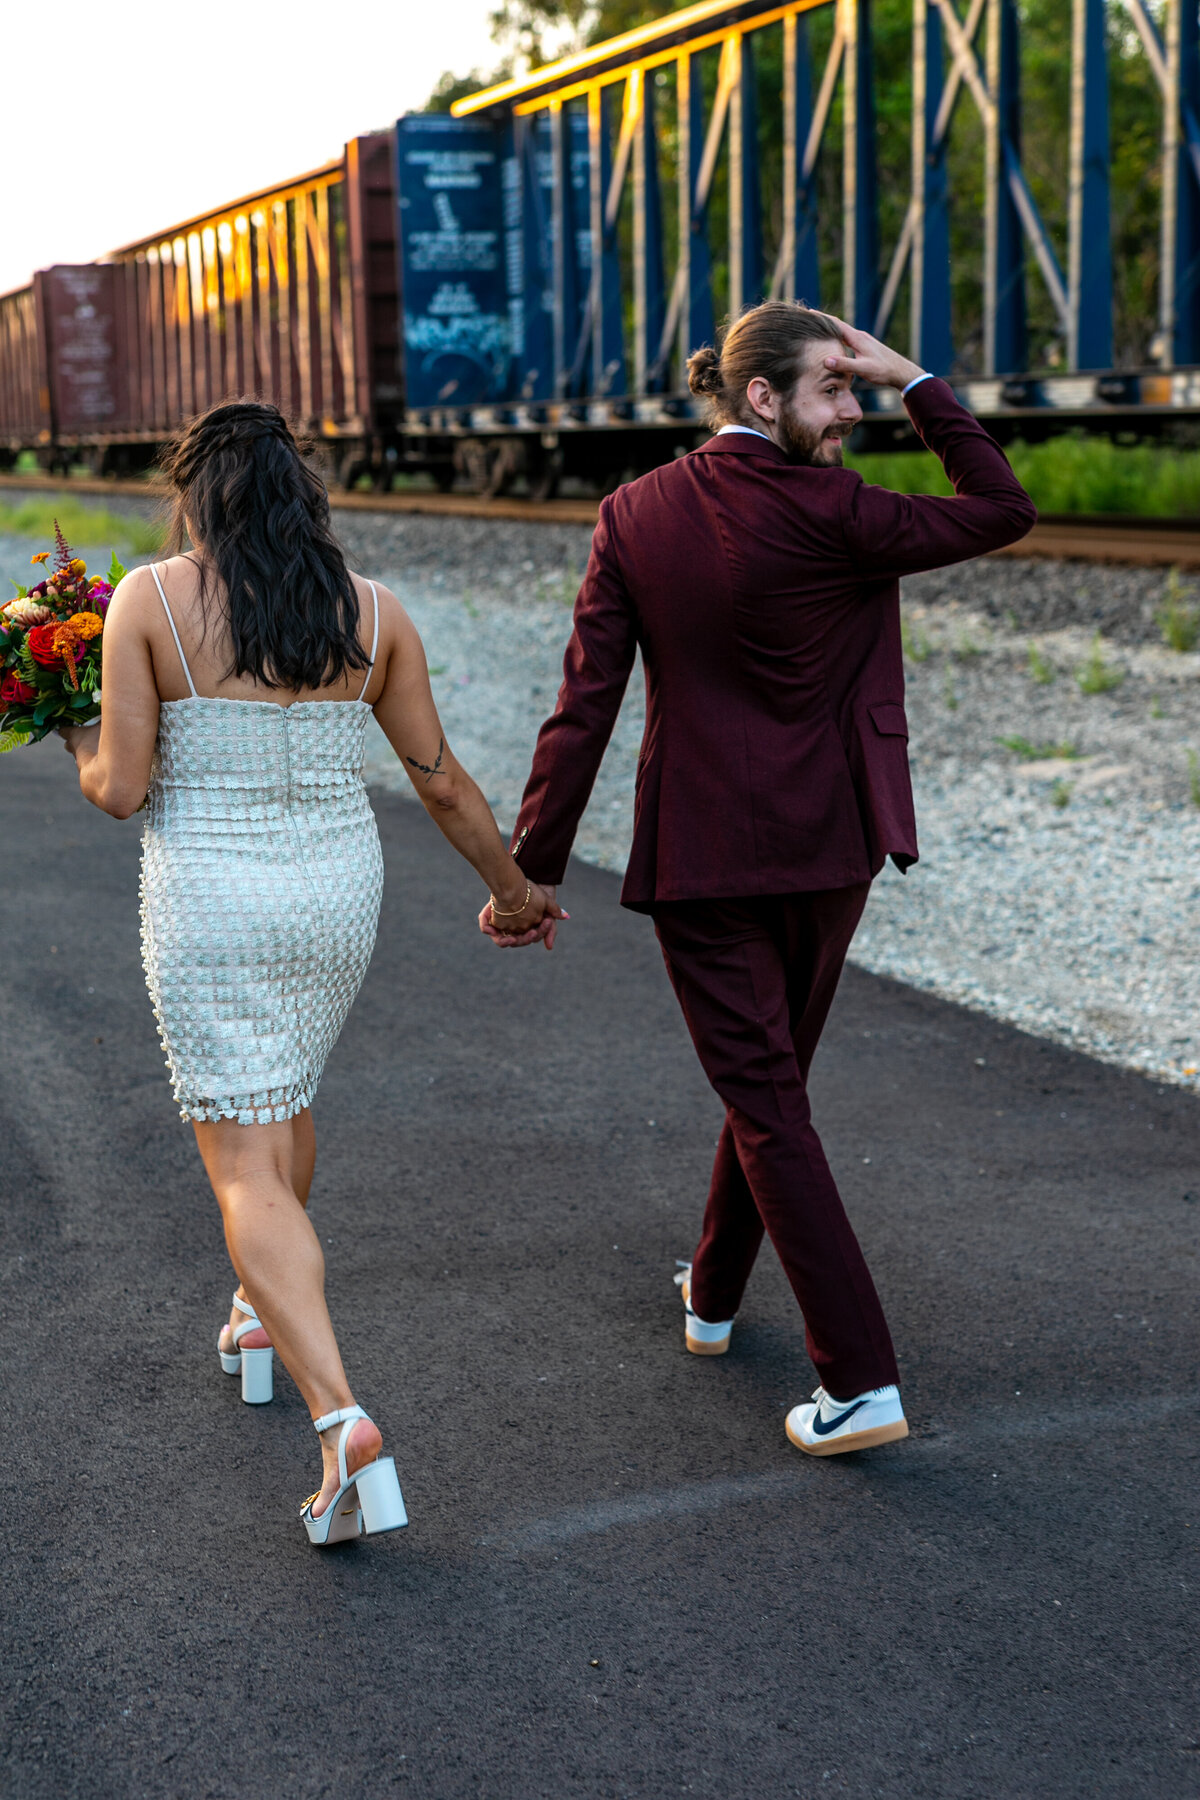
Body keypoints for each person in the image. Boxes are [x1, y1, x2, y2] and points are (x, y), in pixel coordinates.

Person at [482, 304, 1036, 1456]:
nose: (852, 416)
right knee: (770, 1094)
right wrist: (922, 380)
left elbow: (584, 708)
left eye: (861, 391)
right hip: (833, 849)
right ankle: (716, 1298)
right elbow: (999, 504)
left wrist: (529, 869)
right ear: (762, 398)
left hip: (705, 856)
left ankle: (862, 1381)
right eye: (836, 392)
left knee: (768, 1100)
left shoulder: (634, 516)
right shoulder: (847, 515)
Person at [59, 399, 561, 1542]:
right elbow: (441, 781)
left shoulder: (150, 600)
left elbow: (122, 790)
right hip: (336, 898)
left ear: (195, 496)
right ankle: (255, 1315)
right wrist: (514, 890)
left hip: (215, 901)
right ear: (306, 493)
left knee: (241, 1157)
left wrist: (75, 737)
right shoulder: (373, 614)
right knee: (282, 1101)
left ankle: (340, 1421)